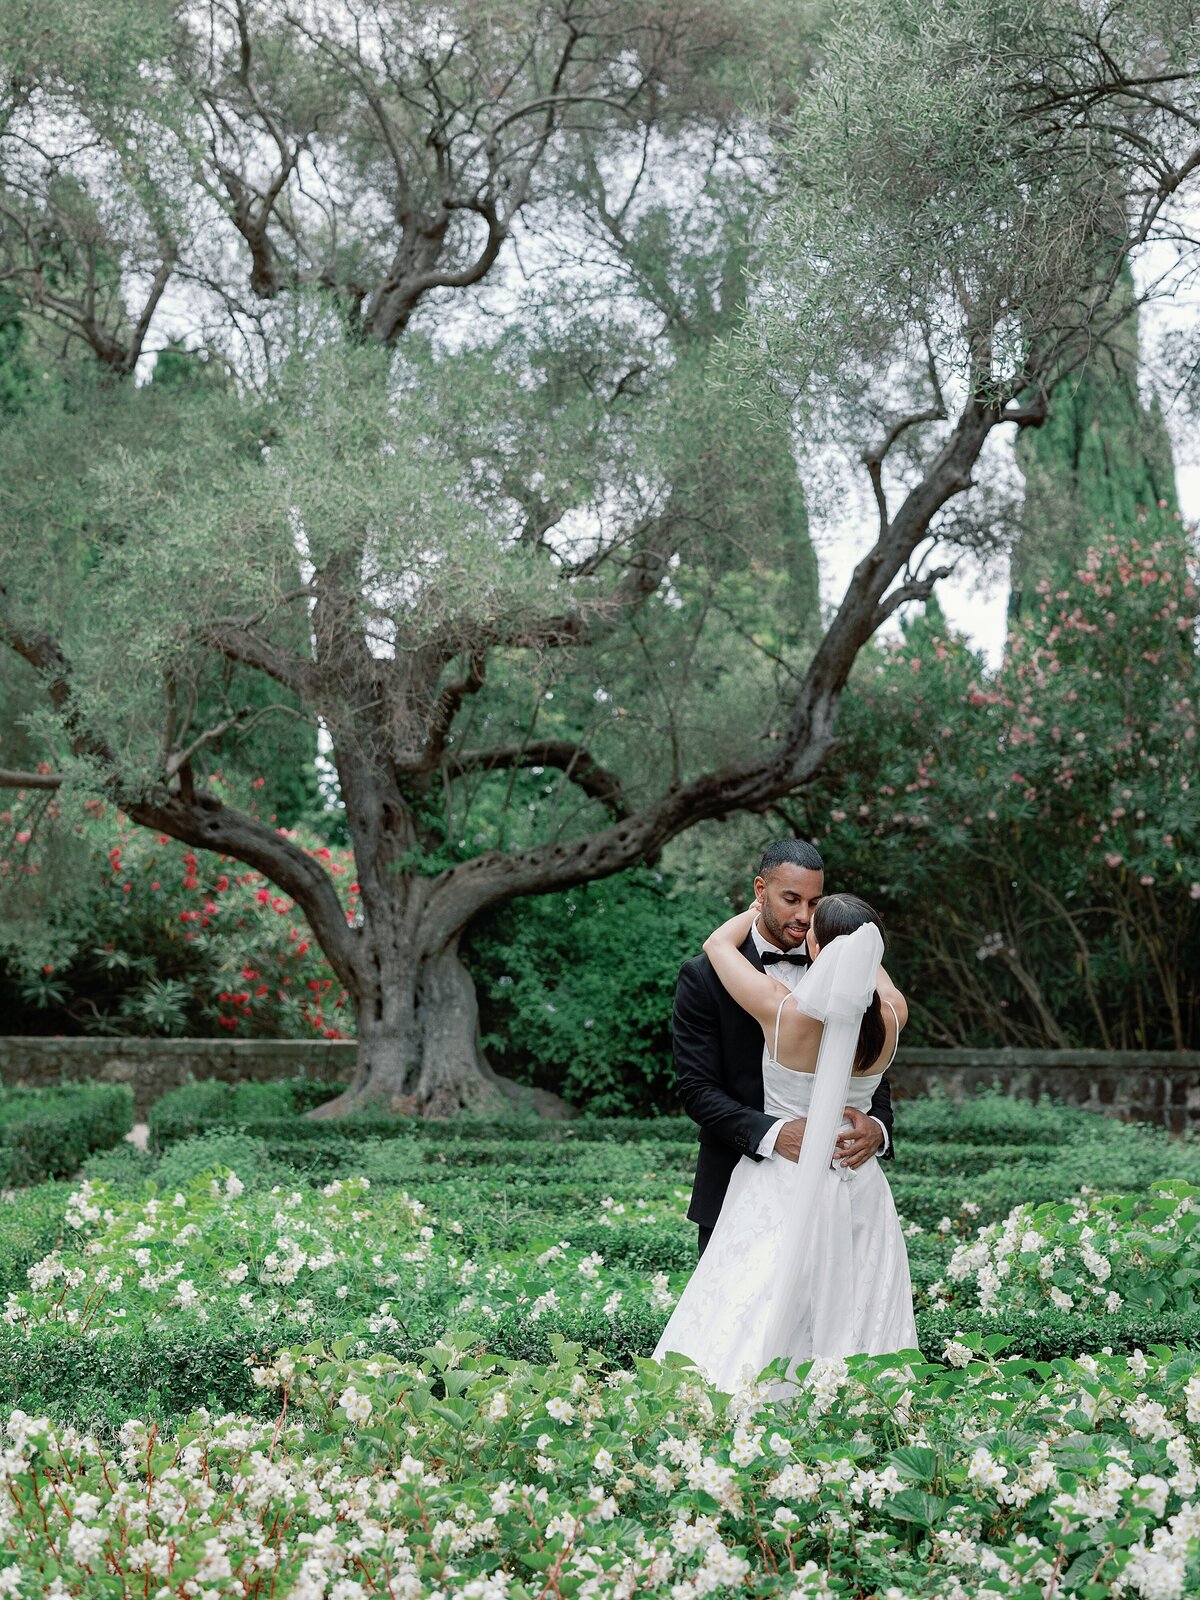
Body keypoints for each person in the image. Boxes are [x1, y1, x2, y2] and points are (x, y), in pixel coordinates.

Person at [653, 892, 917, 1392]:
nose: (800, 919)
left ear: (819, 949)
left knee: (756, 1302)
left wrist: (757, 909)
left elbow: (717, 943)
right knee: (858, 1303)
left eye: (810, 918)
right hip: (858, 1186)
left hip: (784, 1182)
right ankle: (854, 1404)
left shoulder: (781, 1011)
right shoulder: (894, 1015)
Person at [672, 840, 893, 1258]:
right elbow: (696, 1089)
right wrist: (776, 1135)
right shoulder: (704, 978)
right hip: (736, 1186)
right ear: (760, 890)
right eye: (791, 899)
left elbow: (869, 1059)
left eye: (814, 902)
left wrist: (877, 1126)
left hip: (841, 1193)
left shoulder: (842, 964)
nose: (804, 916)